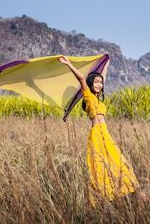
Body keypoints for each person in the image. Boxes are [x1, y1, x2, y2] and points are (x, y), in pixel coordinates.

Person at [58, 55, 138, 205]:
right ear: (90, 83)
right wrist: (68, 63)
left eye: (100, 83)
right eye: (96, 82)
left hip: (105, 133)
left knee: (118, 160)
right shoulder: (88, 95)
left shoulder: (99, 97)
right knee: (100, 165)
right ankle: (104, 195)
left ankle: (125, 189)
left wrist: (106, 63)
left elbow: (103, 78)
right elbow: (81, 78)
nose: (99, 84)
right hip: (96, 133)